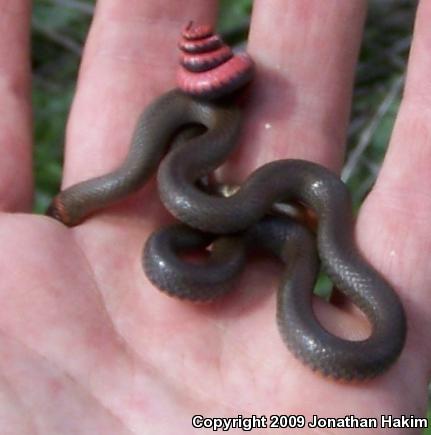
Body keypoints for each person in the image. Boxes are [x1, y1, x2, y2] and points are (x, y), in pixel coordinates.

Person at [0, 1, 429, 433]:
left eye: (58, 212)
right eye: (58, 213)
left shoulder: (202, 189)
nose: (53, 216)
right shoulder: (177, 215)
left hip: (265, 216)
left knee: (287, 241)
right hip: (238, 215)